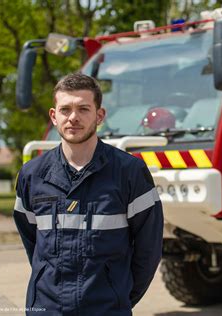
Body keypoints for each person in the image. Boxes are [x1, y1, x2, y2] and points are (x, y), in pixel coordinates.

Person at [13, 73, 163, 315]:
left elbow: (148, 250)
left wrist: (120, 296)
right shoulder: (32, 175)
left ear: (99, 115)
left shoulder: (129, 172)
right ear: (54, 116)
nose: (73, 117)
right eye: (65, 109)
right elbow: (32, 243)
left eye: (83, 109)